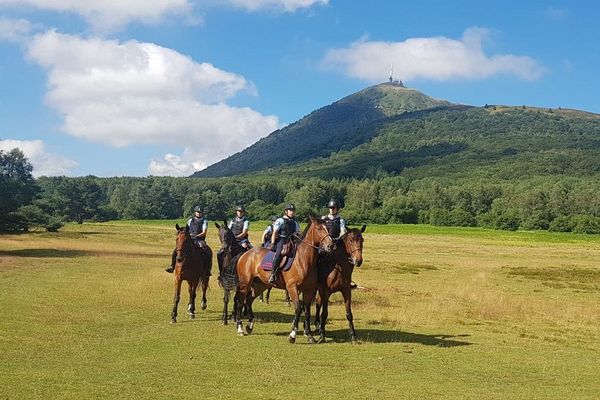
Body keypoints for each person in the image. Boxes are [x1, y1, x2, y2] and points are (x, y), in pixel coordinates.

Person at [165, 205, 208, 273]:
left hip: (199, 239)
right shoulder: (190, 220)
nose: (199, 213)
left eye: (200, 212)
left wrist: (196, 236)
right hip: (190, 239)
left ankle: (206, 269)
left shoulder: (204, 221)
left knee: (205, 250)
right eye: (197, 212)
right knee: (177, 249)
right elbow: (187, 229)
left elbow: (204, 232)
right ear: (195, 212)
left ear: (202, 213)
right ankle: (172, 266)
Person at [268, 204, 301, 284]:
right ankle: (273, 274)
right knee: (278, 254)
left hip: (292, 242)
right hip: (281, 241)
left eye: (293, 211)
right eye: (290, 211)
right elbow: (275, 232)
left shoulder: (294, 223)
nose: (292, 212)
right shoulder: (280, 220)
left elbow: (298, 233)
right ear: (286, 211)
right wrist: (272, 243)